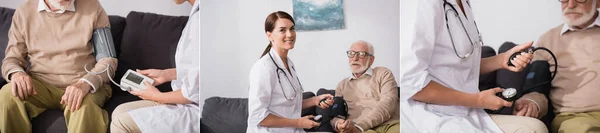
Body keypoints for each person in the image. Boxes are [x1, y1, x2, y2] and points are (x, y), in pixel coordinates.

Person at [400, 0, 548, 132]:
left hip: (466, 112)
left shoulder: (463, 3)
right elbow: (412, 84)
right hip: (432, 114)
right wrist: (478, 100)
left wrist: (502, 60)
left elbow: (457, 66)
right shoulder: (422, 4)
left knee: (535, 128)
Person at [0, 0, 117, 132]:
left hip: (82, 82)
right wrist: (17, 73)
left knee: (83, 105)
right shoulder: (24, 12)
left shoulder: (92, 7)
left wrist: (85, 83)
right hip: (41, 84)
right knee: (7, 95)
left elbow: (108, 60)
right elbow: (12, 59)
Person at [109, 0, 199, 132]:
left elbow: (192, 93)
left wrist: (156, 96)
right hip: (186, 101)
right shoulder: (196, 14)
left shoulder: (201, 21)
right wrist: (166, 74)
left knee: (121, 123)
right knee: (119, 111)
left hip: (195, 109)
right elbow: (198, 70)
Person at [246, 11, 334, 133]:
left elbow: (286, 104)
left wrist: (315, 100)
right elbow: (258, 116)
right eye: (282, 30)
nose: (290, 34)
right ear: (269, 35)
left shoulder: (288, 63)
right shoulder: (263, 68)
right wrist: (298, 122)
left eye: (292, 29)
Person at [531, 0, 600, 132]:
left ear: (597, 3)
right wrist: (531, 102)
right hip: (576, 118)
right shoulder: (547, 40)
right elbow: (536, 88)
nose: (571, 5)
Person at [329, 41, 399, 133]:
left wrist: (359, 127)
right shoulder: (342, 85)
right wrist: (338, 124)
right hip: (363, 130)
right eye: (351, 53)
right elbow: (337, 115)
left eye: (361, 54)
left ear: (371, 60)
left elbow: (388, 103)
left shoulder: (383, 73)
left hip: (389, 124)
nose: (355, 58)